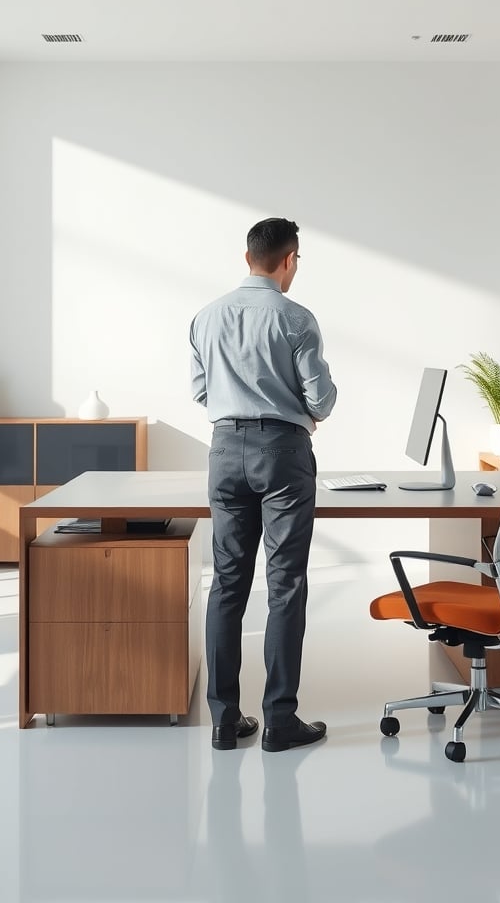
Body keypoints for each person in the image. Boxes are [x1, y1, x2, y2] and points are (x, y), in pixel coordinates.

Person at [190, 217, 337, 752]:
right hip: (283, 455)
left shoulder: (206, 317)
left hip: (225, 451)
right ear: (289, 259)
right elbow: (321, 400)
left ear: (247, 256)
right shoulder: (296, 319)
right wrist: (292, 412)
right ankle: (279, 721)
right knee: (285, 585)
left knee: (227, 584)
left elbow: (201, 391)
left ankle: (225, 722)